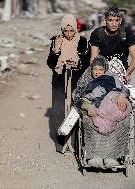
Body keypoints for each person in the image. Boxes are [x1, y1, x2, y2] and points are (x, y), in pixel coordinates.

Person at [73, 56, 131, 168]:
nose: (97, 72)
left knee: (123, 121)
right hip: (93, 107)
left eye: (100, 70)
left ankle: (112, 157)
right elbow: (77, 96)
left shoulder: (111, 77)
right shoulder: (86, 78)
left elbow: (125, 89)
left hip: (111, 107)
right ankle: (95, 156)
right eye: (95, 69)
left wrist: (122, 95)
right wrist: (87, 106)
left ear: (104, 70)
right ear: (91, 69)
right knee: (89, 120)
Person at [47, 14, 90, 155]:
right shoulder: (55, 41)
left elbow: (87, 63)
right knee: (59, 112)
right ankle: (61, 144)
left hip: (76, 81)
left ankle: (74, 143)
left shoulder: (83, 41)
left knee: (75, 111)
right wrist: (55, 51)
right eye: (66, 31)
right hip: (59, 81)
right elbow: (51, 64)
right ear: (62, 30)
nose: (69, 34)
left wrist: (76, 64)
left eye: (72, 31)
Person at [89, 7, 135, 83]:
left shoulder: (126, 33)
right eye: (110, 20)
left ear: (120, 20)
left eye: (117, 20)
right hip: (102, 72)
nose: (114, 24)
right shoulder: (98, 33)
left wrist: (128, 73)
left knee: (127, 93)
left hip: (120, 73)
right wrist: (95, 73)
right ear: (105, 20)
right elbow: (94, 57)